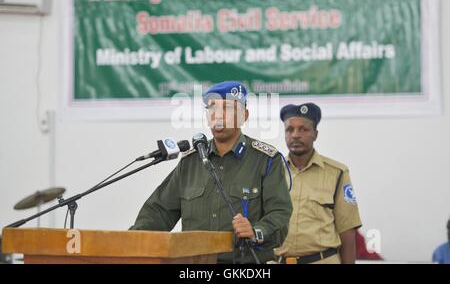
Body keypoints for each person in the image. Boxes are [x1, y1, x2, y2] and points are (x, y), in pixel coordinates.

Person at [130, 81, 293, 264]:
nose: (218, 115)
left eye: (227, 108)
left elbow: (280, 214)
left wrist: (256, 232)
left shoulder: (266, 160)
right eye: (212, 108)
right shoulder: (191, 162)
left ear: (244, 116)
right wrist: (131, 241)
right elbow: (159, 211)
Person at [275, 103, 362, 264]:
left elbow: (347, 231)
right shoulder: (271, 172)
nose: (295, 135)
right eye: (290, 129)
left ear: (315, 134)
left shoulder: (336, 173)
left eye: (303, 129)